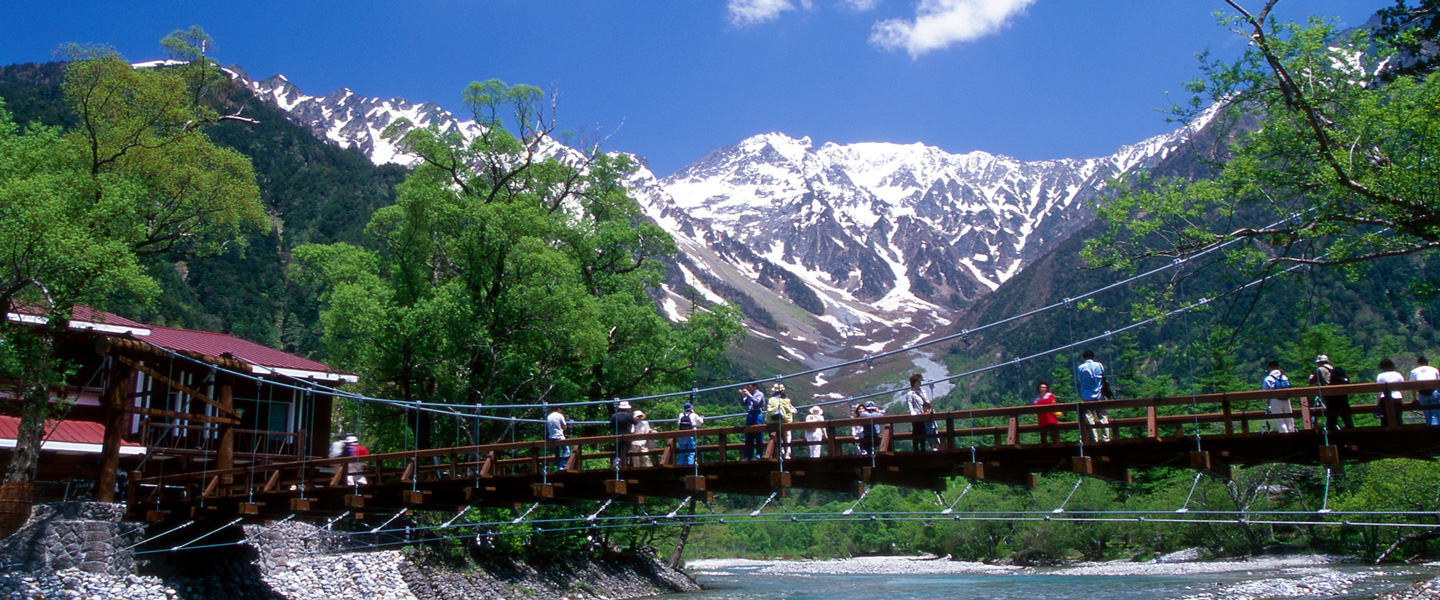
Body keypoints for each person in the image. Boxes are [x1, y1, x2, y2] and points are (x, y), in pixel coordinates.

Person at [1309, 355, 1353, 431]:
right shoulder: (1333, 368)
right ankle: (1352, 436)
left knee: (1331, 420)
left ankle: (1333, 439)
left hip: (1331, 397)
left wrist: (1311, 378)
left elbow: (1313, 381)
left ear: (1319, 362)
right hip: (1342, 396)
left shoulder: (1320, 369)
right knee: (1347, 419)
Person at [1076, 350, 1111, 442]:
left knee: (1089, 417)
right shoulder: (1099, 365)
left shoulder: (1081, 367)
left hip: (1087, 395)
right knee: (1103, 416)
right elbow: (1103, 376)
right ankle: (1105, 437)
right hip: (1099, 394)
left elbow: (1079, 379)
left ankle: (1094, 438)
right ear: (1093, 357)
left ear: (1084, 358)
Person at [903, 373, 936, 452]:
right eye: (918, 381)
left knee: (925, 431)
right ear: (914, 382)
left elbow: (927, 402)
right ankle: (916, 449)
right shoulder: (910, 393)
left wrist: (929, 410)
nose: (920, 383)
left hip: (924, 415)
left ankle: (923, 448)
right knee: (917, 432)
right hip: (916, 416)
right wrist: (913, 413)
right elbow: (910, 404)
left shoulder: (923, 392)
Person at [1261, 361, 1295, 434]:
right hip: (1286, 400)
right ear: (1278, 367)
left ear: (1269, 368)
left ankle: (1285, 437)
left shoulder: (1268, 378)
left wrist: (1267, 401)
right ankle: (1292, 436)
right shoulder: (1284, 377)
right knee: (1289, 420)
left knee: (1280, 421)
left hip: (1275, 400)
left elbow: (1265, 393)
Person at [766, 383, 797, 459]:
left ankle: (780, 452)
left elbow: (769, 412)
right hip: (785, 422)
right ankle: (787, 453)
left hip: (774, 422)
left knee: (777, 437)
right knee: (787, 437)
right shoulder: (786, 400)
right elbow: (792, 411)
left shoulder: (771, 400)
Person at [1411, 355, 1440, 426]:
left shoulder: (1414, 371)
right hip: (1433, 392)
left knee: (1427, 414)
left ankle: (1429, 431)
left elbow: (1412, 386)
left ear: (1418, 364)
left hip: (1422, 393)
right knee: (1435, 415)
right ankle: (1435, 432)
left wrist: (1414, 398)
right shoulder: (1434, 369)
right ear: (1427, 363)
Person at [739, 383, 766, 460]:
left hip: (757, 415)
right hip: (750, 415)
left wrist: (749, 395)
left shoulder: (759, 394)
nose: (749, 389)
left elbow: (757, 402)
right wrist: (741, 396)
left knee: (758, 435)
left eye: (750, 387)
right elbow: (743, 403)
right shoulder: (749, 395)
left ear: (755, 386)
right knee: (749, 436)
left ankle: (759, 455)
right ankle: (748, 456)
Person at [1376, 358, 1405, 426]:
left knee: (1385, 419)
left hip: (1384, 399)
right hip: (1397, 398)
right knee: (1398, 417)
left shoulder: (1380, 376)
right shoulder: (1398, 375)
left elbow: (1379, 391)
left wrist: (1378, 403)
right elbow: (1402, 389)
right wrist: (1401, 398)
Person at [610, 401, 638, 468]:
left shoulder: (614, 416)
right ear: (627, 408)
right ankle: (625, 465)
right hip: (627, 436)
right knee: (626, 451)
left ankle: (616, 465)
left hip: (616, 436)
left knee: (617, 451)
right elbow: (636, 422)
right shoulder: (629, 415)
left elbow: (611, 425)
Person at [546, 406, 569, 470]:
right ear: (558, 409)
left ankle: (559, 466)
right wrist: (562, 430)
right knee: (566, 450)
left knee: (557, 452)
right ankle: (563, 465)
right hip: (559, 436)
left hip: (552, 437)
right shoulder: (559, 415)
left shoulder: (549, 416)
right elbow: (564, 425)